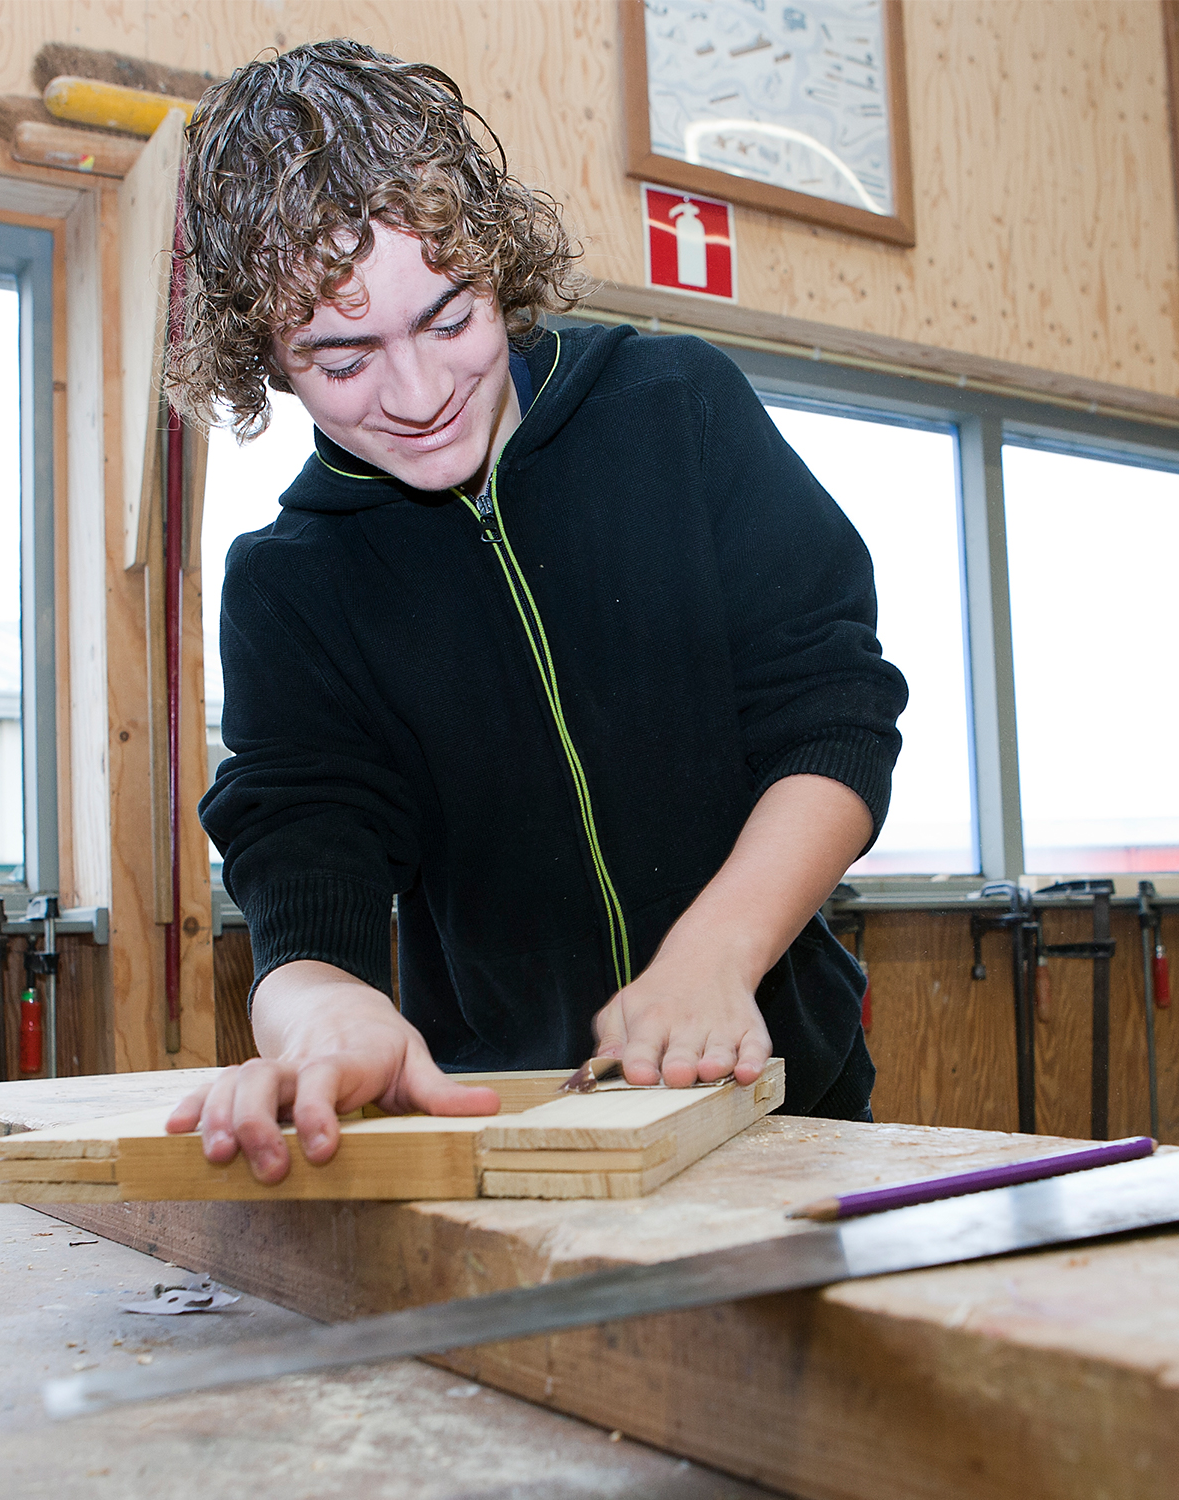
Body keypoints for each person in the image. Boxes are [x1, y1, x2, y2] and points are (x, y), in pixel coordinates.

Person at [163, 39, 908, 1185]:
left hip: (786, 1094)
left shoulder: (678, 410)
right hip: (505, 1128)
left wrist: (714, 956)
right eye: (341, 355)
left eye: (448, 318)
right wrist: (325, 1019)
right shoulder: (290, 581)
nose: (415, 397)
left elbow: (833, 713)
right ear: (263, 355)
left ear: (494, 258)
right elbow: (307, 864)